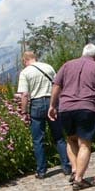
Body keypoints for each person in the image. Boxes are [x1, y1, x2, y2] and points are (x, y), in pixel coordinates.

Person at [48, 43, 95, 191]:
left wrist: (52, 105)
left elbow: (56, 86)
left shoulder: (67, 65)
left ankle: (74, 170)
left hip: (65, 108)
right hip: (86, 108)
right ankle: (79, 179)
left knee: (71, 139)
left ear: (83, 53)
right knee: (84, 143)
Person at [17, 51, 72, 179]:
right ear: (35, 58)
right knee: (59, 137)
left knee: (38, 140)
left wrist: (24, 111)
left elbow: (24, 95)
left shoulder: (25, 72)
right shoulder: (48, 67)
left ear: (25, 60)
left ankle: (41, 171)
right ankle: (66, 166)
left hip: (36, 105)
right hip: (52, 102)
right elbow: (58, 85)